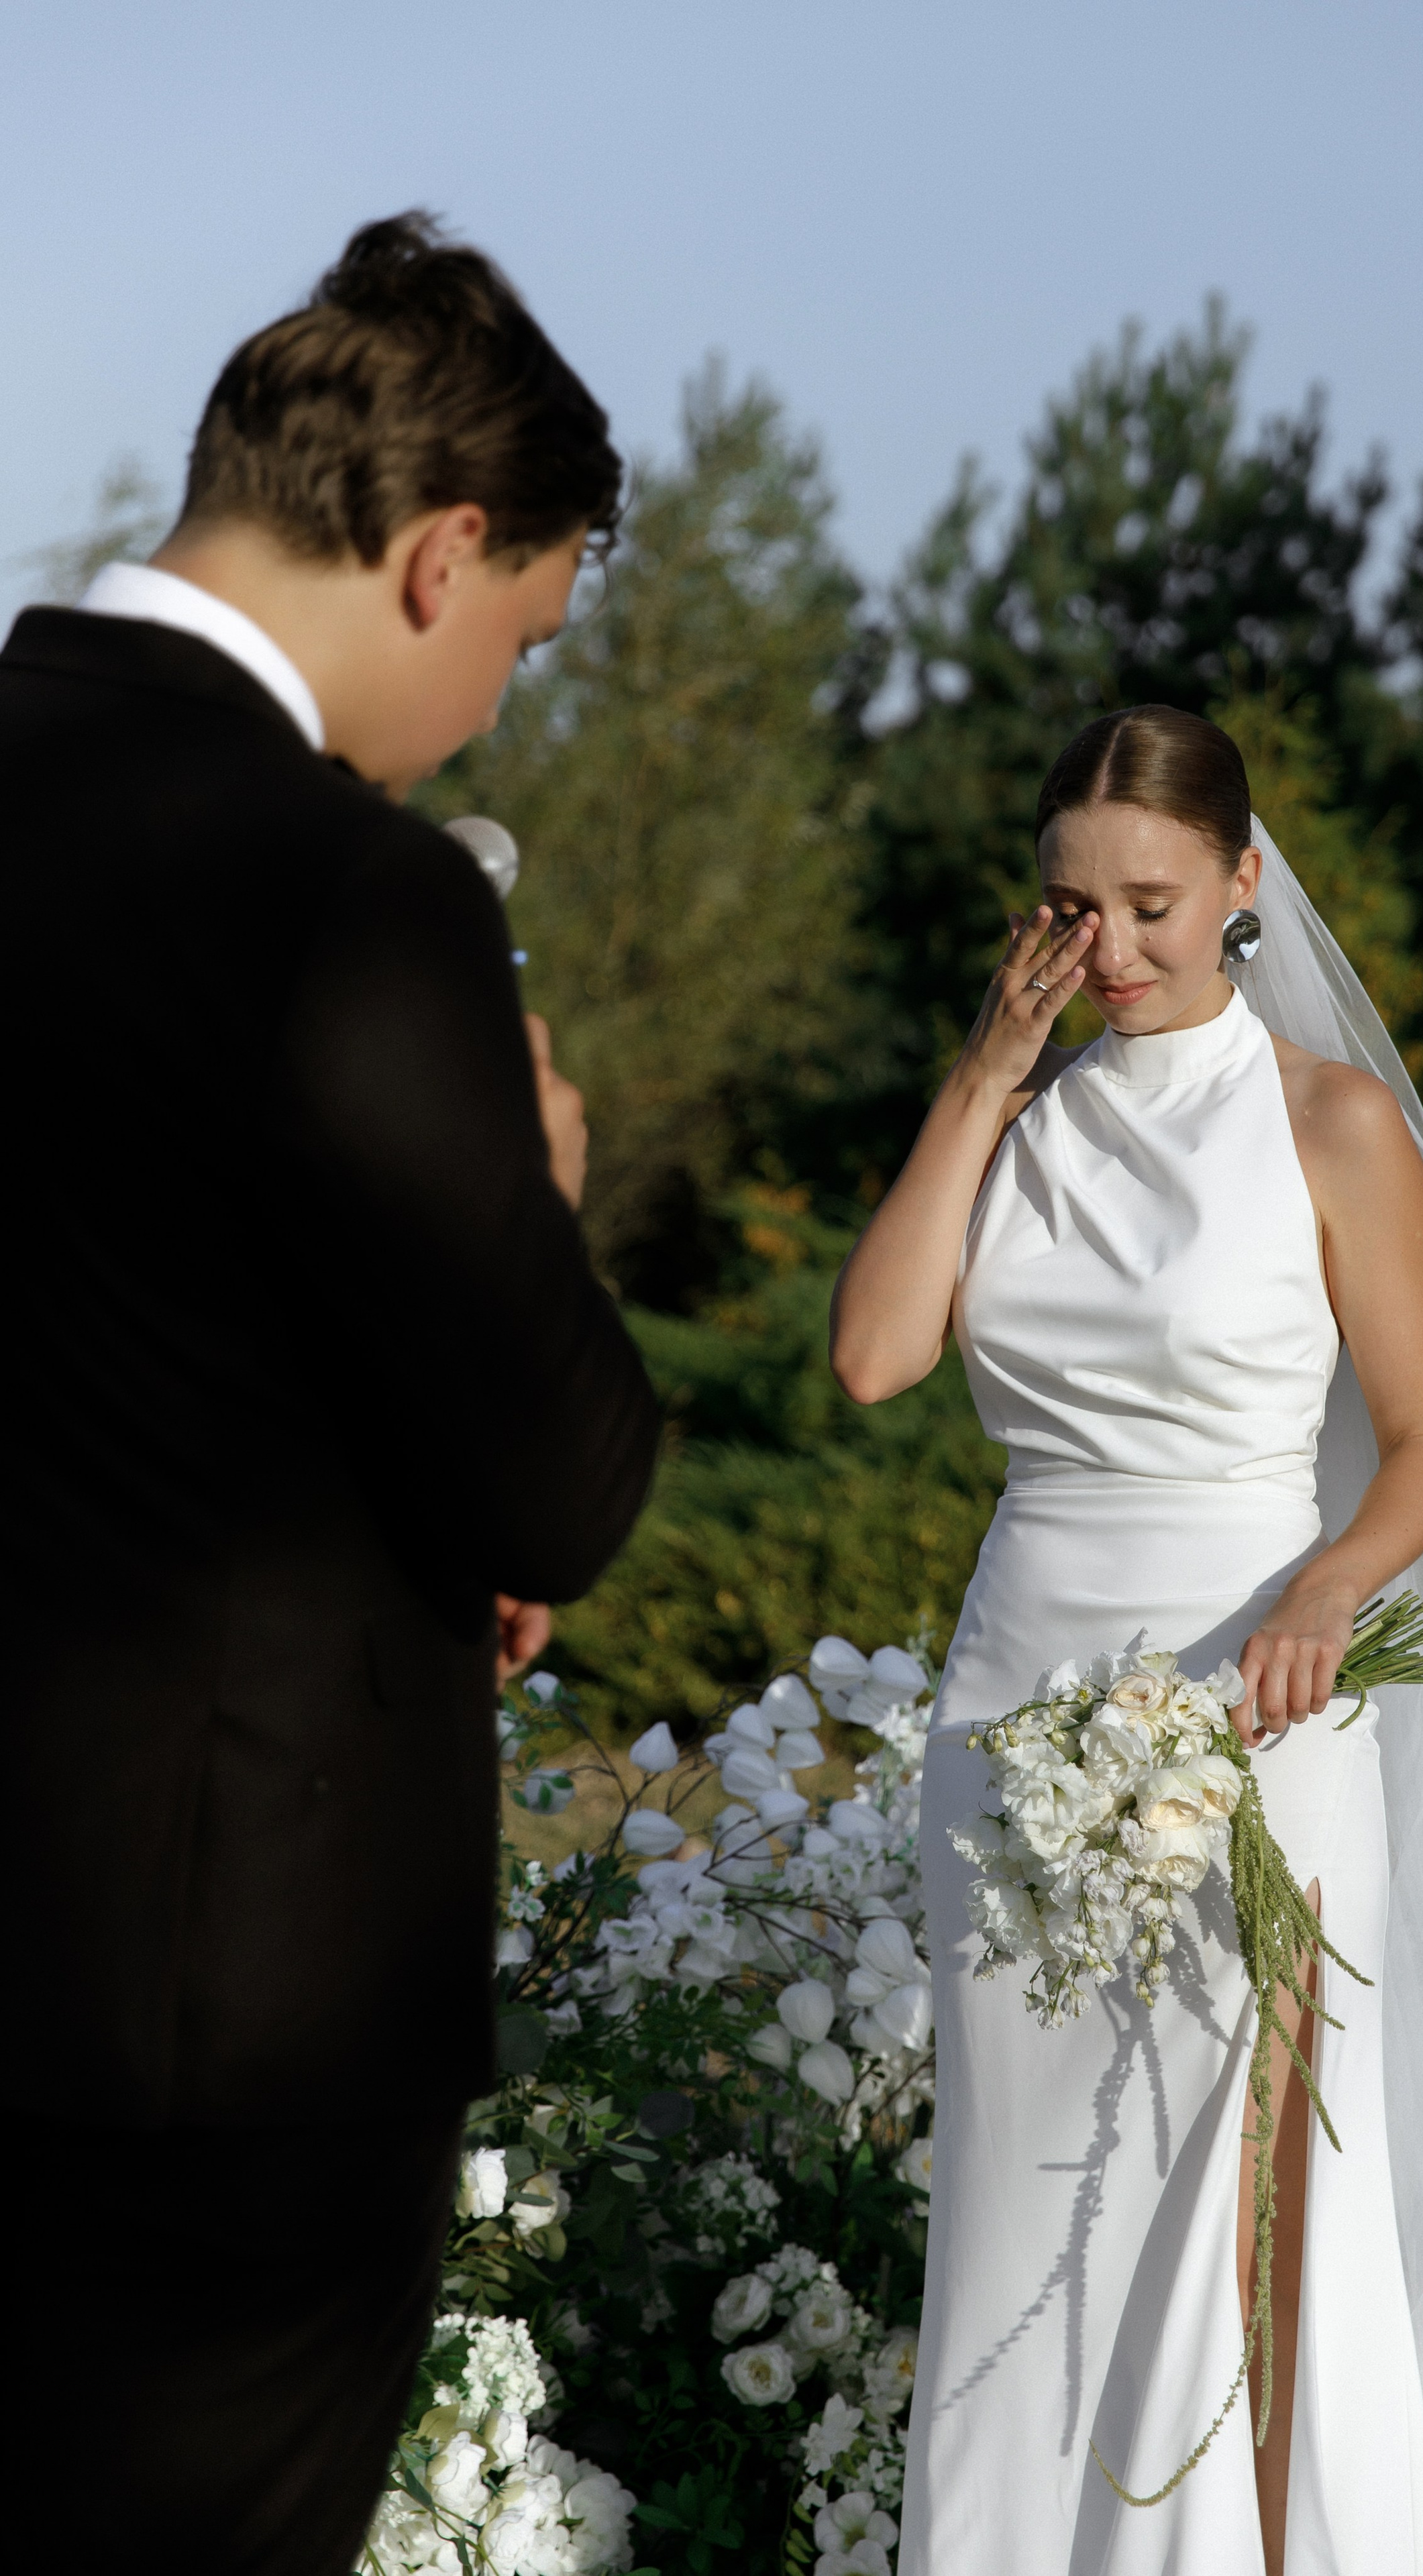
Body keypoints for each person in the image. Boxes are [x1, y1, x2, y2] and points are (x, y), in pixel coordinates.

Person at [831, 706, 1423, 2573]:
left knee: (1263, 2210)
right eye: (1071, 909)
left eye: (1150, 904)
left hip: (1262, 1707)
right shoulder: (1022, 1126)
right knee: (1025, 2209)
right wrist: (986, 1073)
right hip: (1016, 1713)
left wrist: (1330, 1584)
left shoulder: (1329, 1121)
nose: (1110, 949)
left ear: (1243, 883)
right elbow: (876, 1355)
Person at [0, 215, 659, 2571]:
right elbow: (560, 1482)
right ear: (442, 552)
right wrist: (538, 1196)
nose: (489, 709)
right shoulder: (350, 893)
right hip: (217, 2026)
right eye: (522, 642)